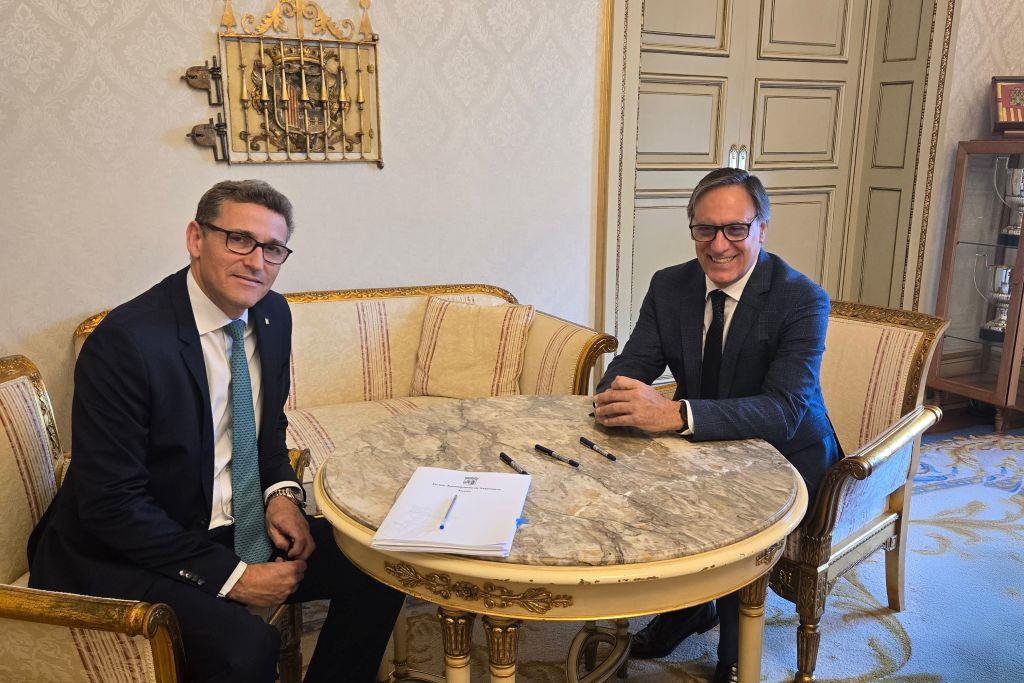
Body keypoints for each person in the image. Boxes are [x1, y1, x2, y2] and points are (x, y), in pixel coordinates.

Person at [28, 180, 404, 682]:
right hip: (123, 548)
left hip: (228, 522)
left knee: (380, 564)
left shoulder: (272, 314)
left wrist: (281, 496)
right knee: (245, 648)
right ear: (196, 238)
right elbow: (111, 505)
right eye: (239, 239)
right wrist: (232, 577)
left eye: (272, 248)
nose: (256, 262)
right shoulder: (126, 343)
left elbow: (267, 428)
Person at [593, 167, 841, 682]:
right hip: (700, 444)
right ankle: (686, 609)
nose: (719, 244)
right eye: (705, 229)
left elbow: (784, 409)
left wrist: (675, 413)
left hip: (788, 453)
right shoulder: (670, 285)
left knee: (730, 519)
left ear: (762, 229)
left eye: (735, 229)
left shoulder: (801, 298)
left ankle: (733, 652)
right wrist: (617, 395)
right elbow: (630, 367)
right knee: (627, 486)